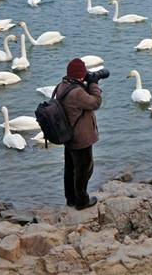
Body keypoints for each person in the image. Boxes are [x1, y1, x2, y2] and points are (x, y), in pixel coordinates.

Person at [56, 58, 102, 210]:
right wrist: (94, 83)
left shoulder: (63, 86)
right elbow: (95, 102)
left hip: (68, 136)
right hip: (80, 138)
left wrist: (85, 84)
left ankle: (71, 199)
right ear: (80, 76)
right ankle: (82, 201)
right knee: (84, 170)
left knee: (70, 168)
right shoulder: (76, 92)